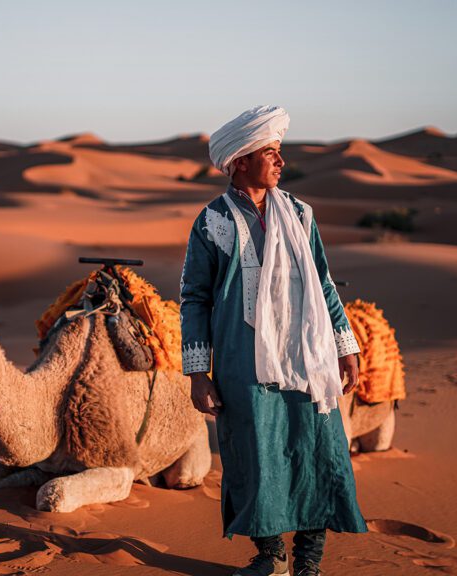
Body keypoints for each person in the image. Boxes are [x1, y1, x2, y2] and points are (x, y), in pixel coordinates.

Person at [179, 105, 367, 576]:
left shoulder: (301, 215)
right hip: (243, 363)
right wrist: (198, 372)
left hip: (309, 357)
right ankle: (271, 556)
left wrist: (346, 347)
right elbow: (194, 298)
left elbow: (323, 284)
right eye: (271, 152)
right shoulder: (213, 222)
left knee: (314, 451)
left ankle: (309, 561)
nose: (281, 162)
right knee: (254, 454)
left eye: (280, 152)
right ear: (241, 160)